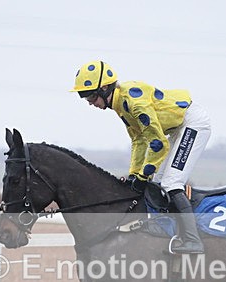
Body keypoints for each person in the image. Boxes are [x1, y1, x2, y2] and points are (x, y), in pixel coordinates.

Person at [71, 60, 211, 253]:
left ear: (104, 88)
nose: (91, 103)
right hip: (176, 127)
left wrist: (143, 176)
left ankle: (193, 239)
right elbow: (138, 141)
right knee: (159, 180)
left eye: (92, 97)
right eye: (86, 99)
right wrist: (134, 175)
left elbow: (158, 144)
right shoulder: (120, 104)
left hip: (192, 123)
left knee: (171, 183)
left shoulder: (134, 103)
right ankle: (169, 229)